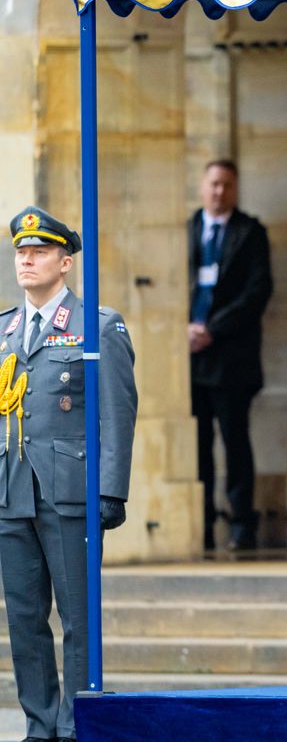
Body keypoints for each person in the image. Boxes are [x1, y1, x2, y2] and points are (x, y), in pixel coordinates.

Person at [0, 207, 137, 742]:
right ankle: (39, 724)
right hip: (12, 491)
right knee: (25, 621)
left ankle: (76, 723)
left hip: (69, 491)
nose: (26, 259)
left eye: (38, 252)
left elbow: (117, 411)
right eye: (20, 251)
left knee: (78, 619)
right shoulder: (6, 329)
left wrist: (110, 488)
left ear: (66, 262)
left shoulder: (97, 325)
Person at [188, 160, 273, 551]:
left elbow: (257, 292)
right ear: (203, 187)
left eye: (226, 185)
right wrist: (185, 329)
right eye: (213, 184)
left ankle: (242, 524)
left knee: (235, 441)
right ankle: (201, 522)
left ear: (235, 189)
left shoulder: (250, 232)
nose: (219, 191)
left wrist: (212, 330)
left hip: (231, 358)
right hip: (188, 359)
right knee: (196, 445)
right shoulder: (186, 228)